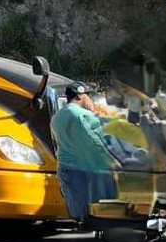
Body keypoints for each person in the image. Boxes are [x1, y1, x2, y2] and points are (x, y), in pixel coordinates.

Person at [50, 84, 120, 228]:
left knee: (78, 207)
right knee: (100, 207)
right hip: (85, 168)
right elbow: (95, 140)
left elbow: (56, 142)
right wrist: (111, 160)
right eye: (88, 95)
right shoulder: (82, 115)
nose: (90, 99)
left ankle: (83, 224)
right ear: (80, 96)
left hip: (65, 166)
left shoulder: (56, 117)